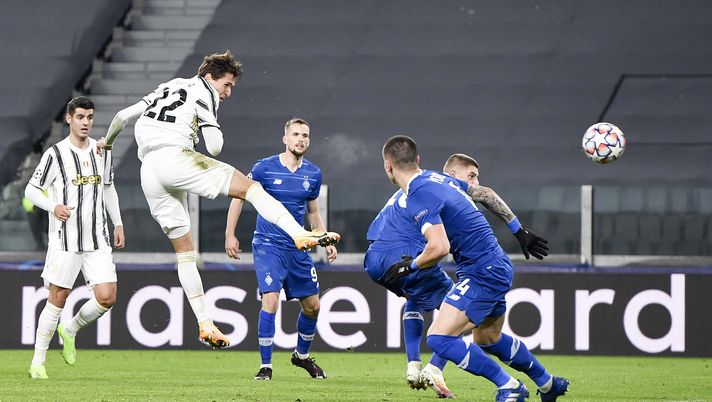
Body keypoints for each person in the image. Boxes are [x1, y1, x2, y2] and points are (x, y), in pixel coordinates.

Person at [99, 51, 340, 349]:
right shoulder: (204, 92)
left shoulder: (170, 85)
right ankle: (299, 233)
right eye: (226, 85)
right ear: (210, 77)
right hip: (176, 158)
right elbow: (214, 147)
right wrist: (208, 123)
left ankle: (204, 323)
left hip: (148, 170)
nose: (227, 93)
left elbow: (122, 116)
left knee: (185, 253)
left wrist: (106, 143)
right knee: (251, 188)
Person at [381, 136, 569, 402]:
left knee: (438, 338)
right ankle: (549, 384)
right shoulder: (438, 178)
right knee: (488, 338)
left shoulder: (418, 195)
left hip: (483, 271)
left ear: (388, 166)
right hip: (493, 265)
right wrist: (519, 230)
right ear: (418, 161)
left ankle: (509, 386)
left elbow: (439, 248)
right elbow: (486, 194)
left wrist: (407, 267)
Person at [225, 118, 337, 380]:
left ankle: (301, 356)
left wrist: (324, 240)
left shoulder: (313, 173)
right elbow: (239, 196)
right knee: (271, 300)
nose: (301, 139)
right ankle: (266, 366)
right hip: (268, 244)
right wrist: (230, 233)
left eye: (305, 135)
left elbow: (313, 213)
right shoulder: (264, 168)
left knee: (313, 306)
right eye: (296, 134)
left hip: (298, 248)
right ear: (285, 139)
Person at [25, 96, 125, 379]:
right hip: (65, 241)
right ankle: (38, 362)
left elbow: (107, 188)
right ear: (69, 118)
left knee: (107, 297)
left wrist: (117, 223)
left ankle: (70, 329)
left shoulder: (101, 150)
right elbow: (32, 190)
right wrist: (53, 206)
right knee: (58, 298)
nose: (85, 122)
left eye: (89, 117)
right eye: (80, 117)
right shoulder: (55, 154)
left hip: (97, 238)